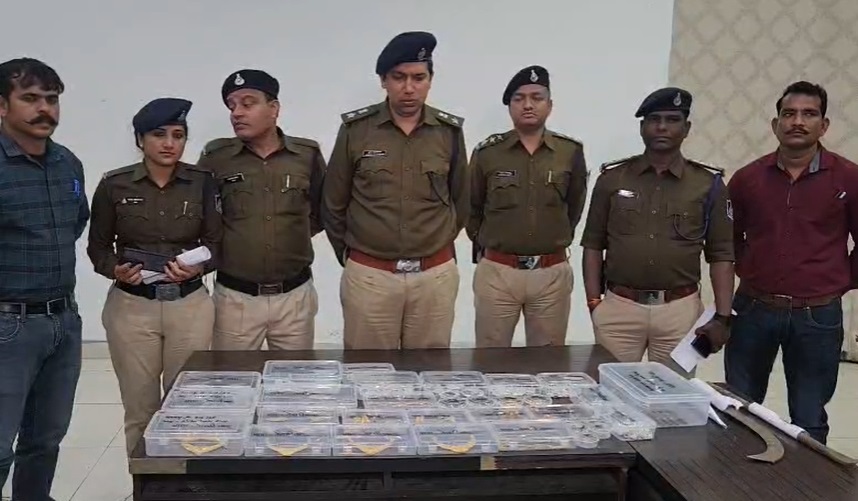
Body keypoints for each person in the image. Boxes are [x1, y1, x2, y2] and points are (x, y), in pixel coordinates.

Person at [86, 98, 222, 454]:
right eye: (159, 135)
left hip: (189, 306)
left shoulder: (202, 182)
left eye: (178, 135)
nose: (169, 143)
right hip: (132, 309)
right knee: (140, 410)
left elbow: (217, 243)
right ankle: (145, 482)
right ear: (140, 139)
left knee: (187, 408)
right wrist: (114, 269)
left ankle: (183, 481)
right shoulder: (114, 185)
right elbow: (97, 247)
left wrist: (199, 266)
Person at [726, 81, 858, 444]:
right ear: (775, 124)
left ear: (824, 125)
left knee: (809, 415)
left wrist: (836, 281)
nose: (797, 121)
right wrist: (749, 270)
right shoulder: (747, 179)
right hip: (753, 309)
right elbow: (727, 240)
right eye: (789, 114)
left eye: (809, 114)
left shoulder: (849, 178)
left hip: (818, 316)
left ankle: (808, 479)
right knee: (739, 407)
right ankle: (734, 475)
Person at [322, 31, 468, 350]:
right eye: (399, 77)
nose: (409, 88)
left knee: (430, 370)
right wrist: (353, 256)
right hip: (371, 276)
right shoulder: (356, 131)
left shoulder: (448, 133)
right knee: (368, 370)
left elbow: (461, 200)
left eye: (418, 77)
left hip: (433, 277)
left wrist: (434, 242)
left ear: (430, 80)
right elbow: (333, 203)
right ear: (383, 81)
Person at [580, 87, 734, 368]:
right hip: (620, 309)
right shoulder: (612, 179)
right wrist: (594, 302)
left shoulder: (707, 184)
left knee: (672, 392)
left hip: (679, 311)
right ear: (642, 128)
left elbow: (722, 254)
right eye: (654, 119)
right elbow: (592, 244)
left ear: (687, 128)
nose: (662, 127)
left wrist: (723, 317)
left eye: (672, 120)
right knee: (613, 389)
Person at [0, 58, 89, 501]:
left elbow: (76, 223)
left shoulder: (66, 163)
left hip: (63, 323)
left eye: (51, 99)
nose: (44, 110)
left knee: (44, 441)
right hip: (7, 327)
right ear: (2, 105)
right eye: (30, 98)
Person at [197, 69, 325, 351]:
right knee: (233, 376)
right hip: (236, 299)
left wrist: (286, 235)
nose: (237, 113)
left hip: (294, 297)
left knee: (295, 377)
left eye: (248, 103)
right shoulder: (216, 157)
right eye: (231, 106)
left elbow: (322, 211)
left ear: (274, 108)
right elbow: (201, 215)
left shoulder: (306, 155)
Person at [467, 65, 588, 347]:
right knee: (491, 358)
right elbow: (471, 208)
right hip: (498, 271)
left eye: (537, 97)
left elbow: (574, 207)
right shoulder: (488, 153)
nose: (528, 105)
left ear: (550, 105)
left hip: (550, 273)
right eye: (519, 98)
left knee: (547, 360)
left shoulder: (569, 152)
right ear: (510, 106)